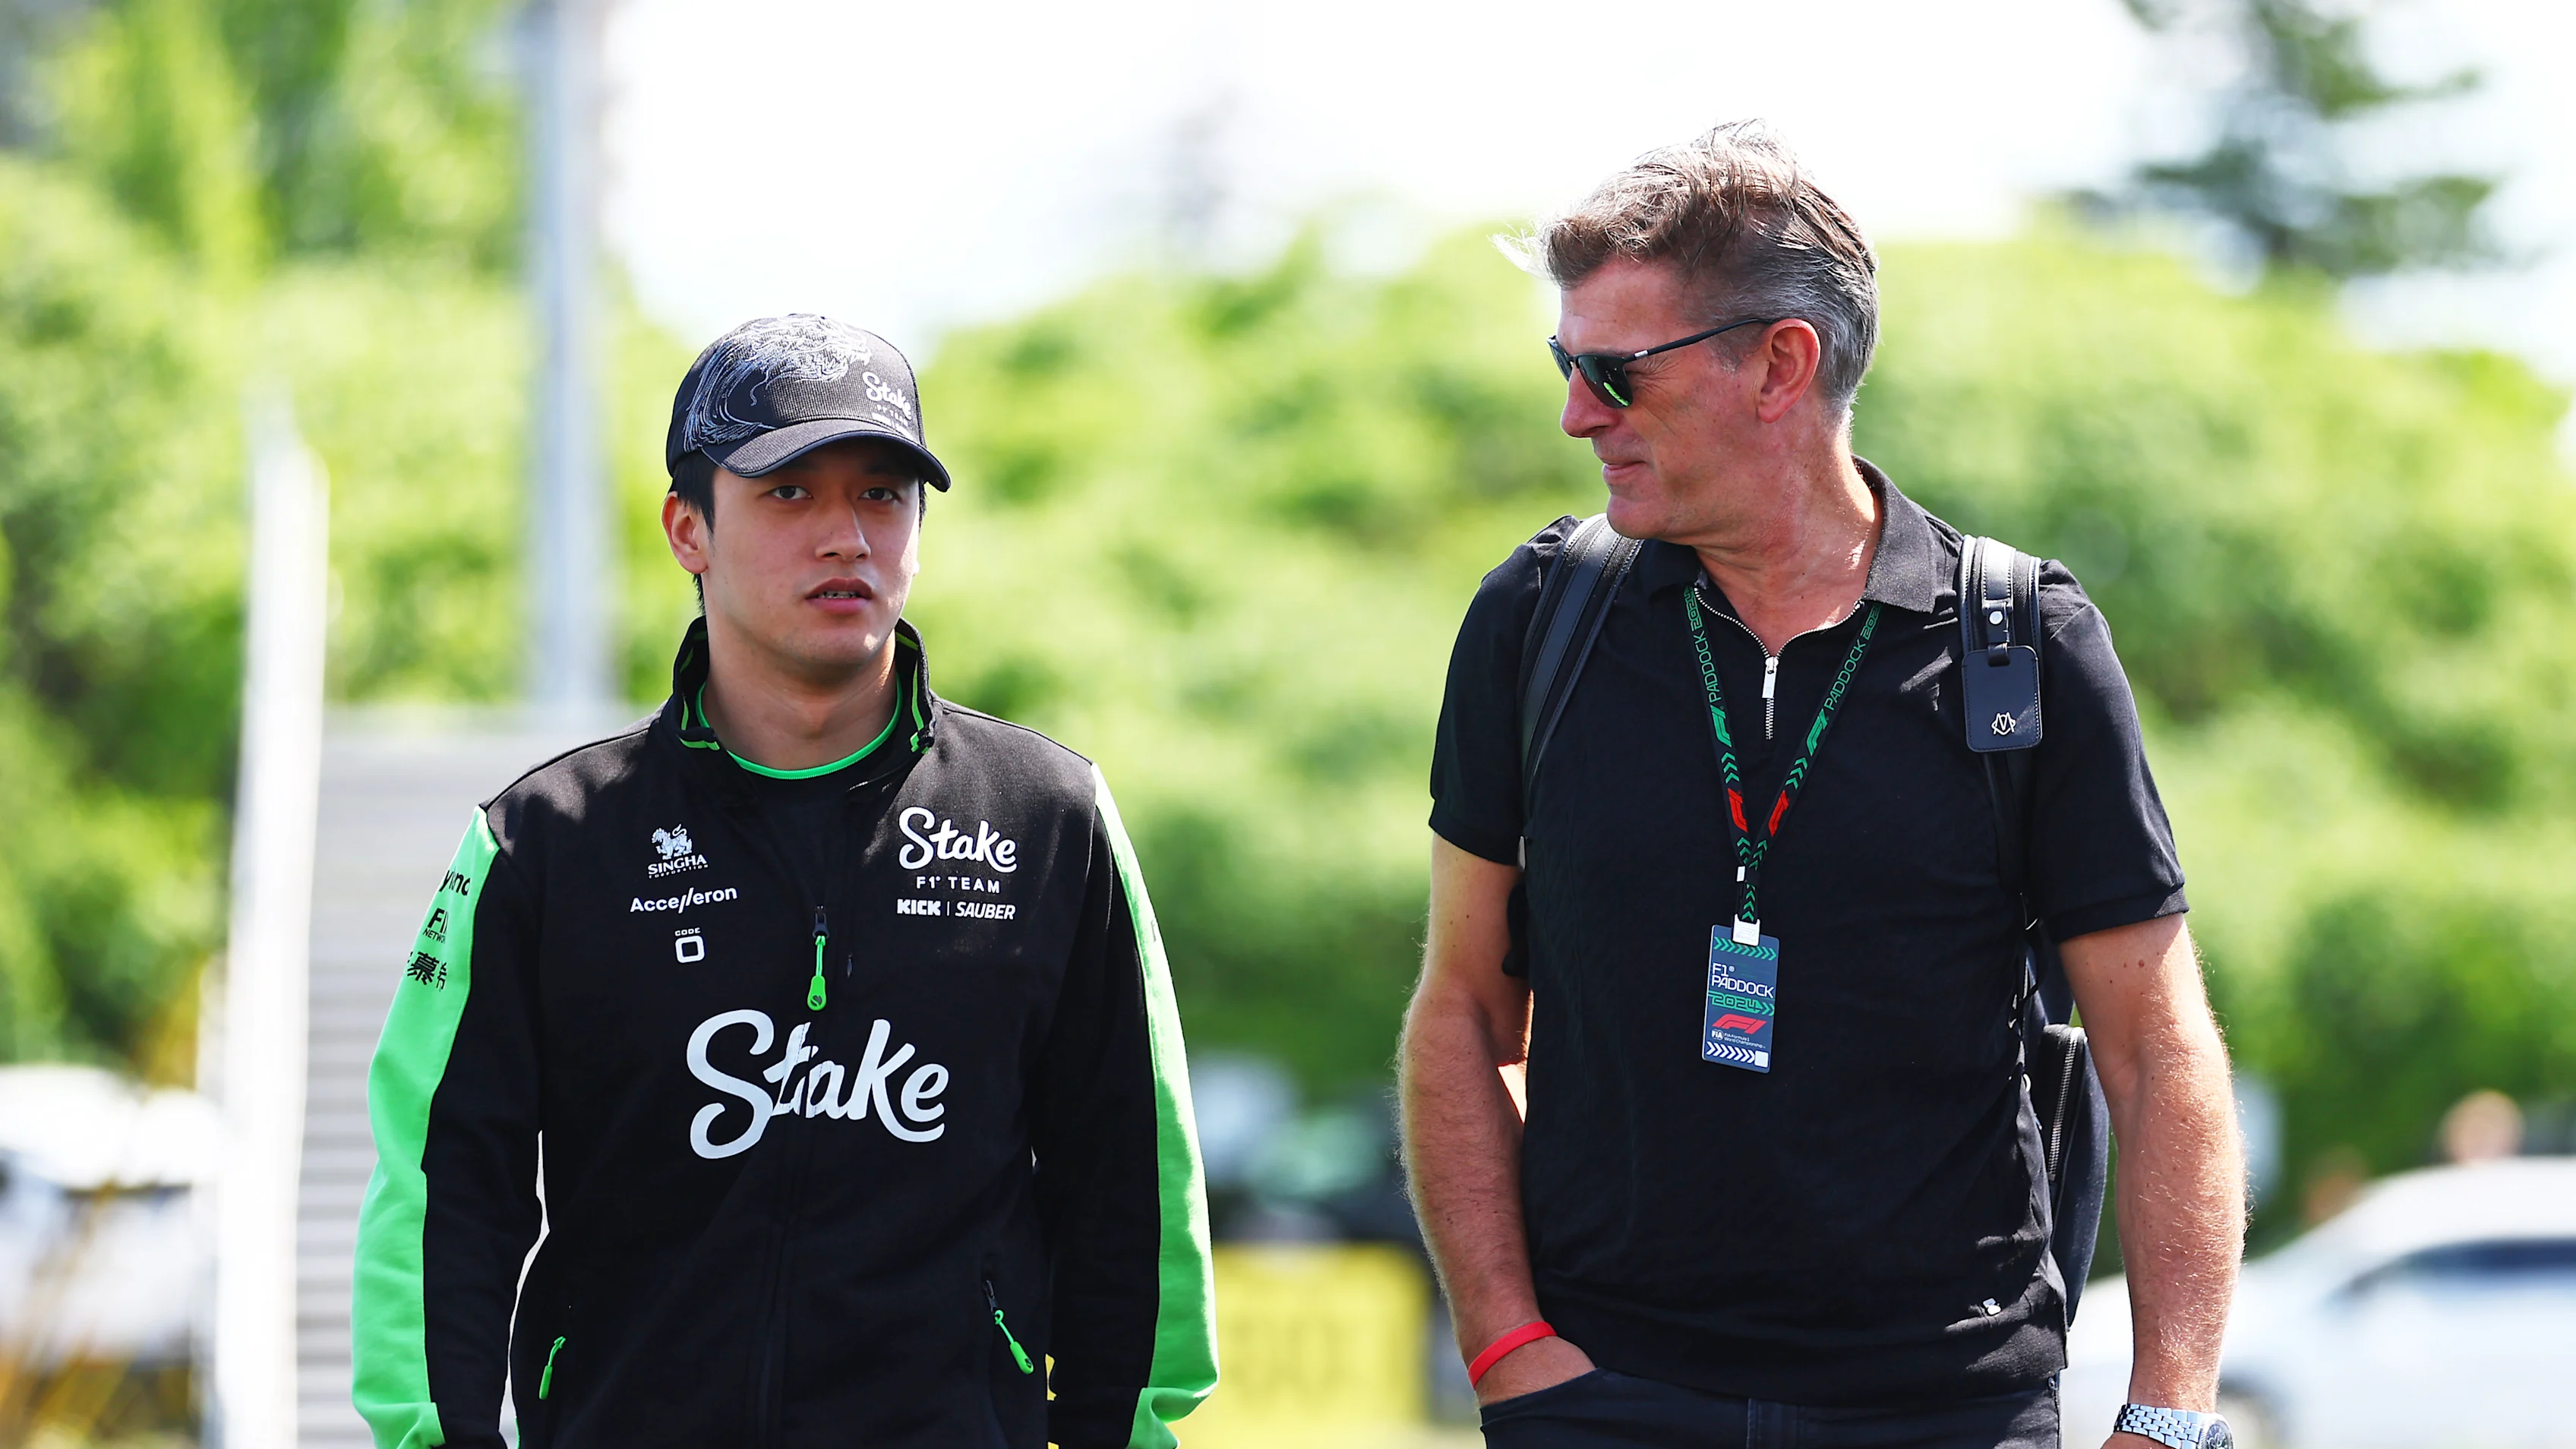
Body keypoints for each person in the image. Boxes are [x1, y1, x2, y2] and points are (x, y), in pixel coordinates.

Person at [1400, 125, 2244, 1449]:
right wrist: (1509, 1344)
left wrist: (2174, 1414)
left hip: (1945, 1407)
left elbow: (2156, 1046)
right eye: (1566, 364)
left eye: (1615, 373)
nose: (1575, 412)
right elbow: (1460, 1006)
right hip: (1604, 1398)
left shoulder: (2021, 642)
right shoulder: (1538, 617)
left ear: (1780, 367)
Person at [351, 314, 1217, 1449]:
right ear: (686, 529)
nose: (847, 537)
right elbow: (445, 1195)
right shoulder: (544, 844)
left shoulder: (1047, 818)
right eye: (789, 494)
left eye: (881, 494)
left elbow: (1129, 1188)